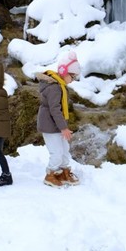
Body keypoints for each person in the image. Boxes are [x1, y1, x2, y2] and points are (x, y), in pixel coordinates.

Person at [37, 50, 82, 188]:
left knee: (64, 149)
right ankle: (50, 174)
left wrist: (63, 127)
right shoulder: (54, 88)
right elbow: (55, 110)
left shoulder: (59, 86)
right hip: (50, 126)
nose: (73, 80)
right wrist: (64, 128)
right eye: (72, 76)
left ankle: (64, 172)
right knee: (56, 152)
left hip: (56, 124)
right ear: (64, 71)